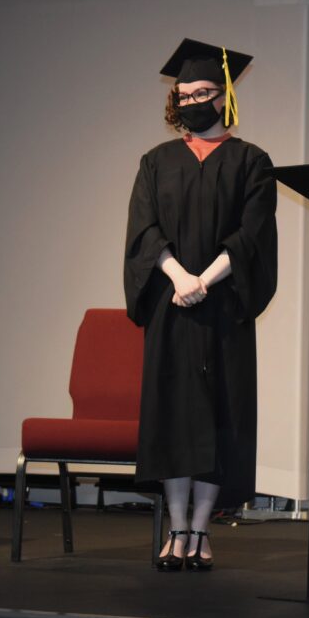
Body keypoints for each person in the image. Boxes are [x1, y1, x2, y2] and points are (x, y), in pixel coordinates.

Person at [124, 39, 278, 572]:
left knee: (218, 415)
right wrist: (177, 276)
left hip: (223, 306)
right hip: (172, 305)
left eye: (204, 92)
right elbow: (145, 231)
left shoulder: (251, 161)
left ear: (224, 96)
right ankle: (175, 527)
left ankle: (203, 530)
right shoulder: (156, 162)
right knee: (172, 416)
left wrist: (205, 280)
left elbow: (251, 237)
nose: (192, 101)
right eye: (184, 94)